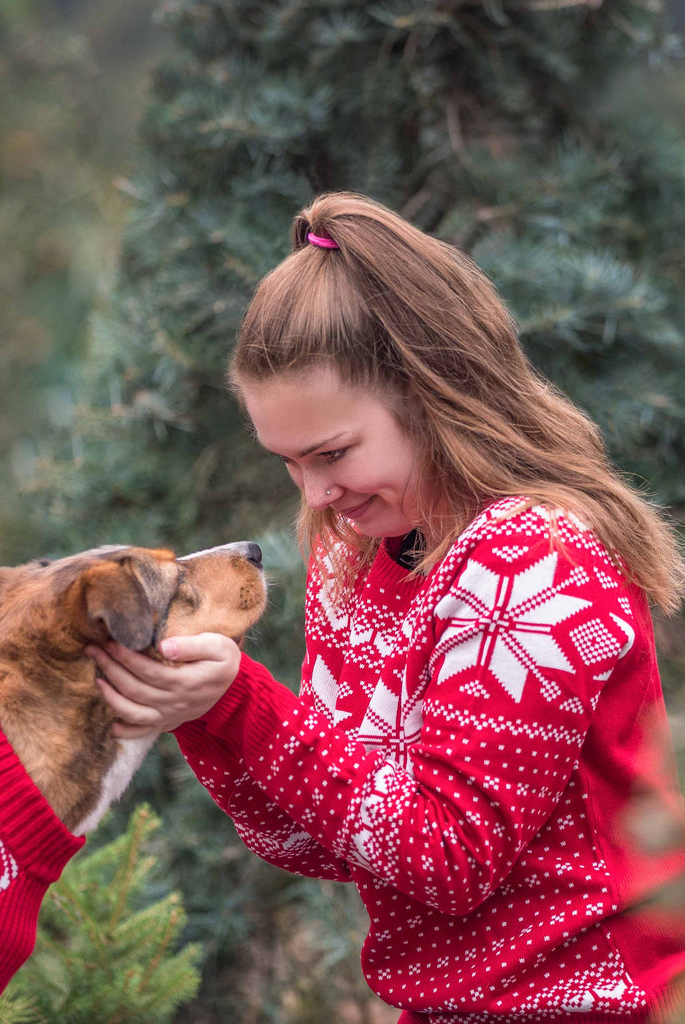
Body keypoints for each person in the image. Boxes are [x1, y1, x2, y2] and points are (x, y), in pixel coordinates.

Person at [88, 191, 685, 1022]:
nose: (318, 494)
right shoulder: (356, 554)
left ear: (431, 388)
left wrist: (245, 704)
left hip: (600, 1003)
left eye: (332, 453)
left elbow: (450, 857)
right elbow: (325, 835)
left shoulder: (535, 564)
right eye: (290, 463)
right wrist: (207, 712)